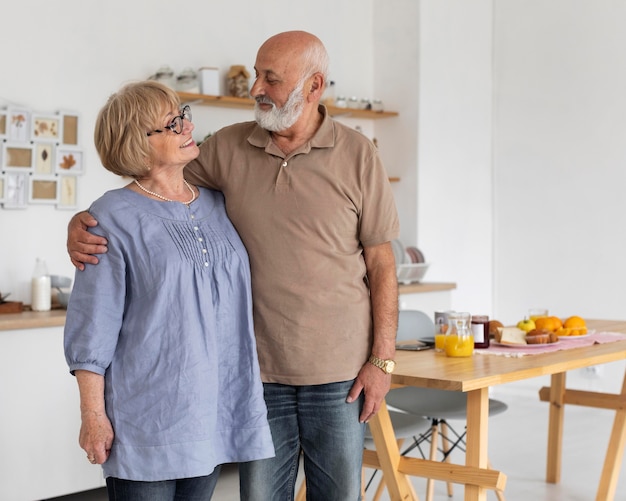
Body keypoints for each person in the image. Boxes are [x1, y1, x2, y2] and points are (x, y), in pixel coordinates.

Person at [68, 31, 399, 500]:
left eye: (272, 78)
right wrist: (81, 223)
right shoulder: (224, 149)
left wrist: (382, 359)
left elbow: (382, 263)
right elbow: (147, 194)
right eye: (257, 73)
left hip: (335, 373)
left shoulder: (356, 155)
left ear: (314, 85)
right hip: (255, 376)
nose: (256, 88)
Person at [63, 80, 274, 501]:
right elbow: (92, 327)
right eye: (171, 123)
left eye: (183, 115)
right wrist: (92, 414)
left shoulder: (218, 203)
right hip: (147, 421)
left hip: (213, 413)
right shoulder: (110, 216)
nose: (186, 127)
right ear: (135, 143)